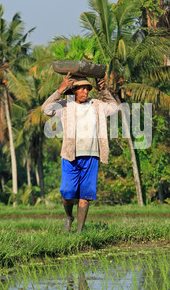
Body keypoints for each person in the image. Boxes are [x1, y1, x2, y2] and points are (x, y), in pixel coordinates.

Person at [41, 72, 118, 232]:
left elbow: (115, 107)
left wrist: (104, 92)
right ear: (74, 90)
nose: (85, 92)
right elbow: (46, 109)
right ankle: (69, 216)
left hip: (91, 156)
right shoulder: (65, 105)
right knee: (67, 193)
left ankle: (79, 231)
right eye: (81, 89)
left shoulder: (96, 105)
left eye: (87, 89)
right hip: (70, 156)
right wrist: (60, 90)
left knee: (86, 196)